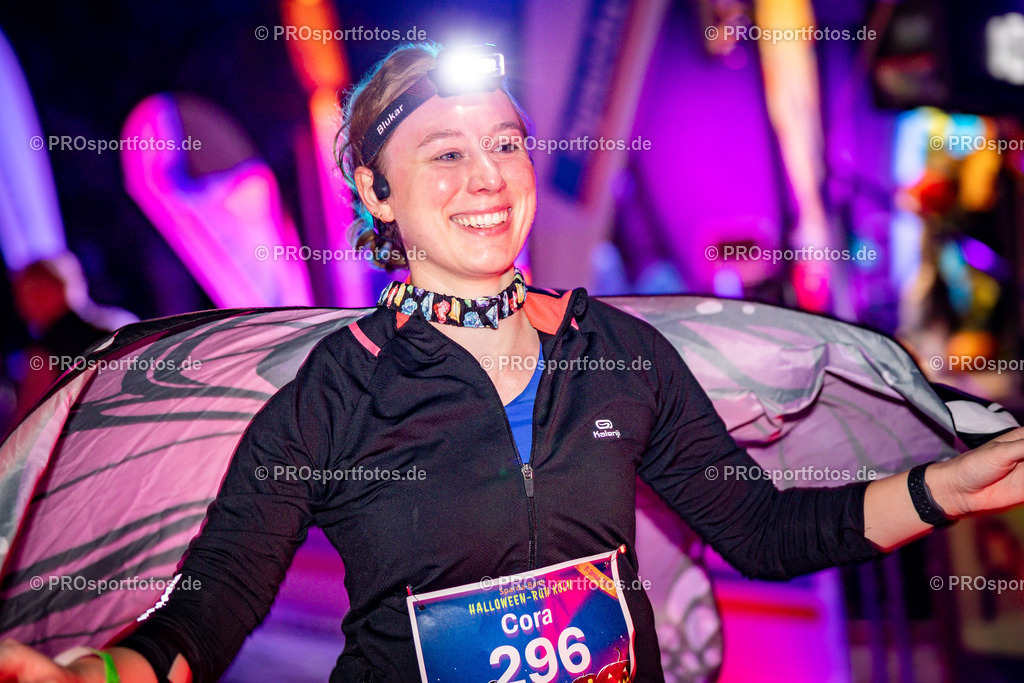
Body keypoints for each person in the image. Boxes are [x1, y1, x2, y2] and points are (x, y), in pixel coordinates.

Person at [3, 42, 1024, 683]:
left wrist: (945, 486)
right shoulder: (332, 390)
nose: (487, 177)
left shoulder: (616, 353)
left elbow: (762, 530)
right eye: (442, 151)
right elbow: (211, 606)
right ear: (374, 191)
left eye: (505, 143)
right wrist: (102, 673)